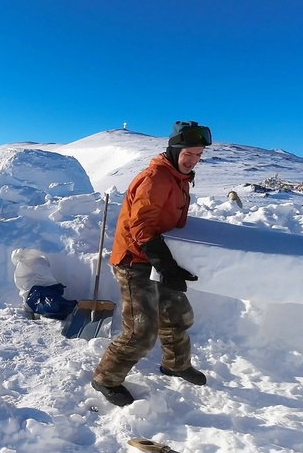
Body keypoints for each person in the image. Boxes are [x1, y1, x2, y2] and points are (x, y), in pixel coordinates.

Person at [90, 120, 212, 406]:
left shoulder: (178, 178)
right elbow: (141, 228)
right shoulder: (156, 178)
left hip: (158, 256)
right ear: (174, 149)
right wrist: (166, 265)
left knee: (178, 316)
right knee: (141, 332)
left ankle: (175, 364)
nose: (193, 160)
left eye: (198, 155)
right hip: (135, 260)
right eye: (188, 154)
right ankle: (105, 378)